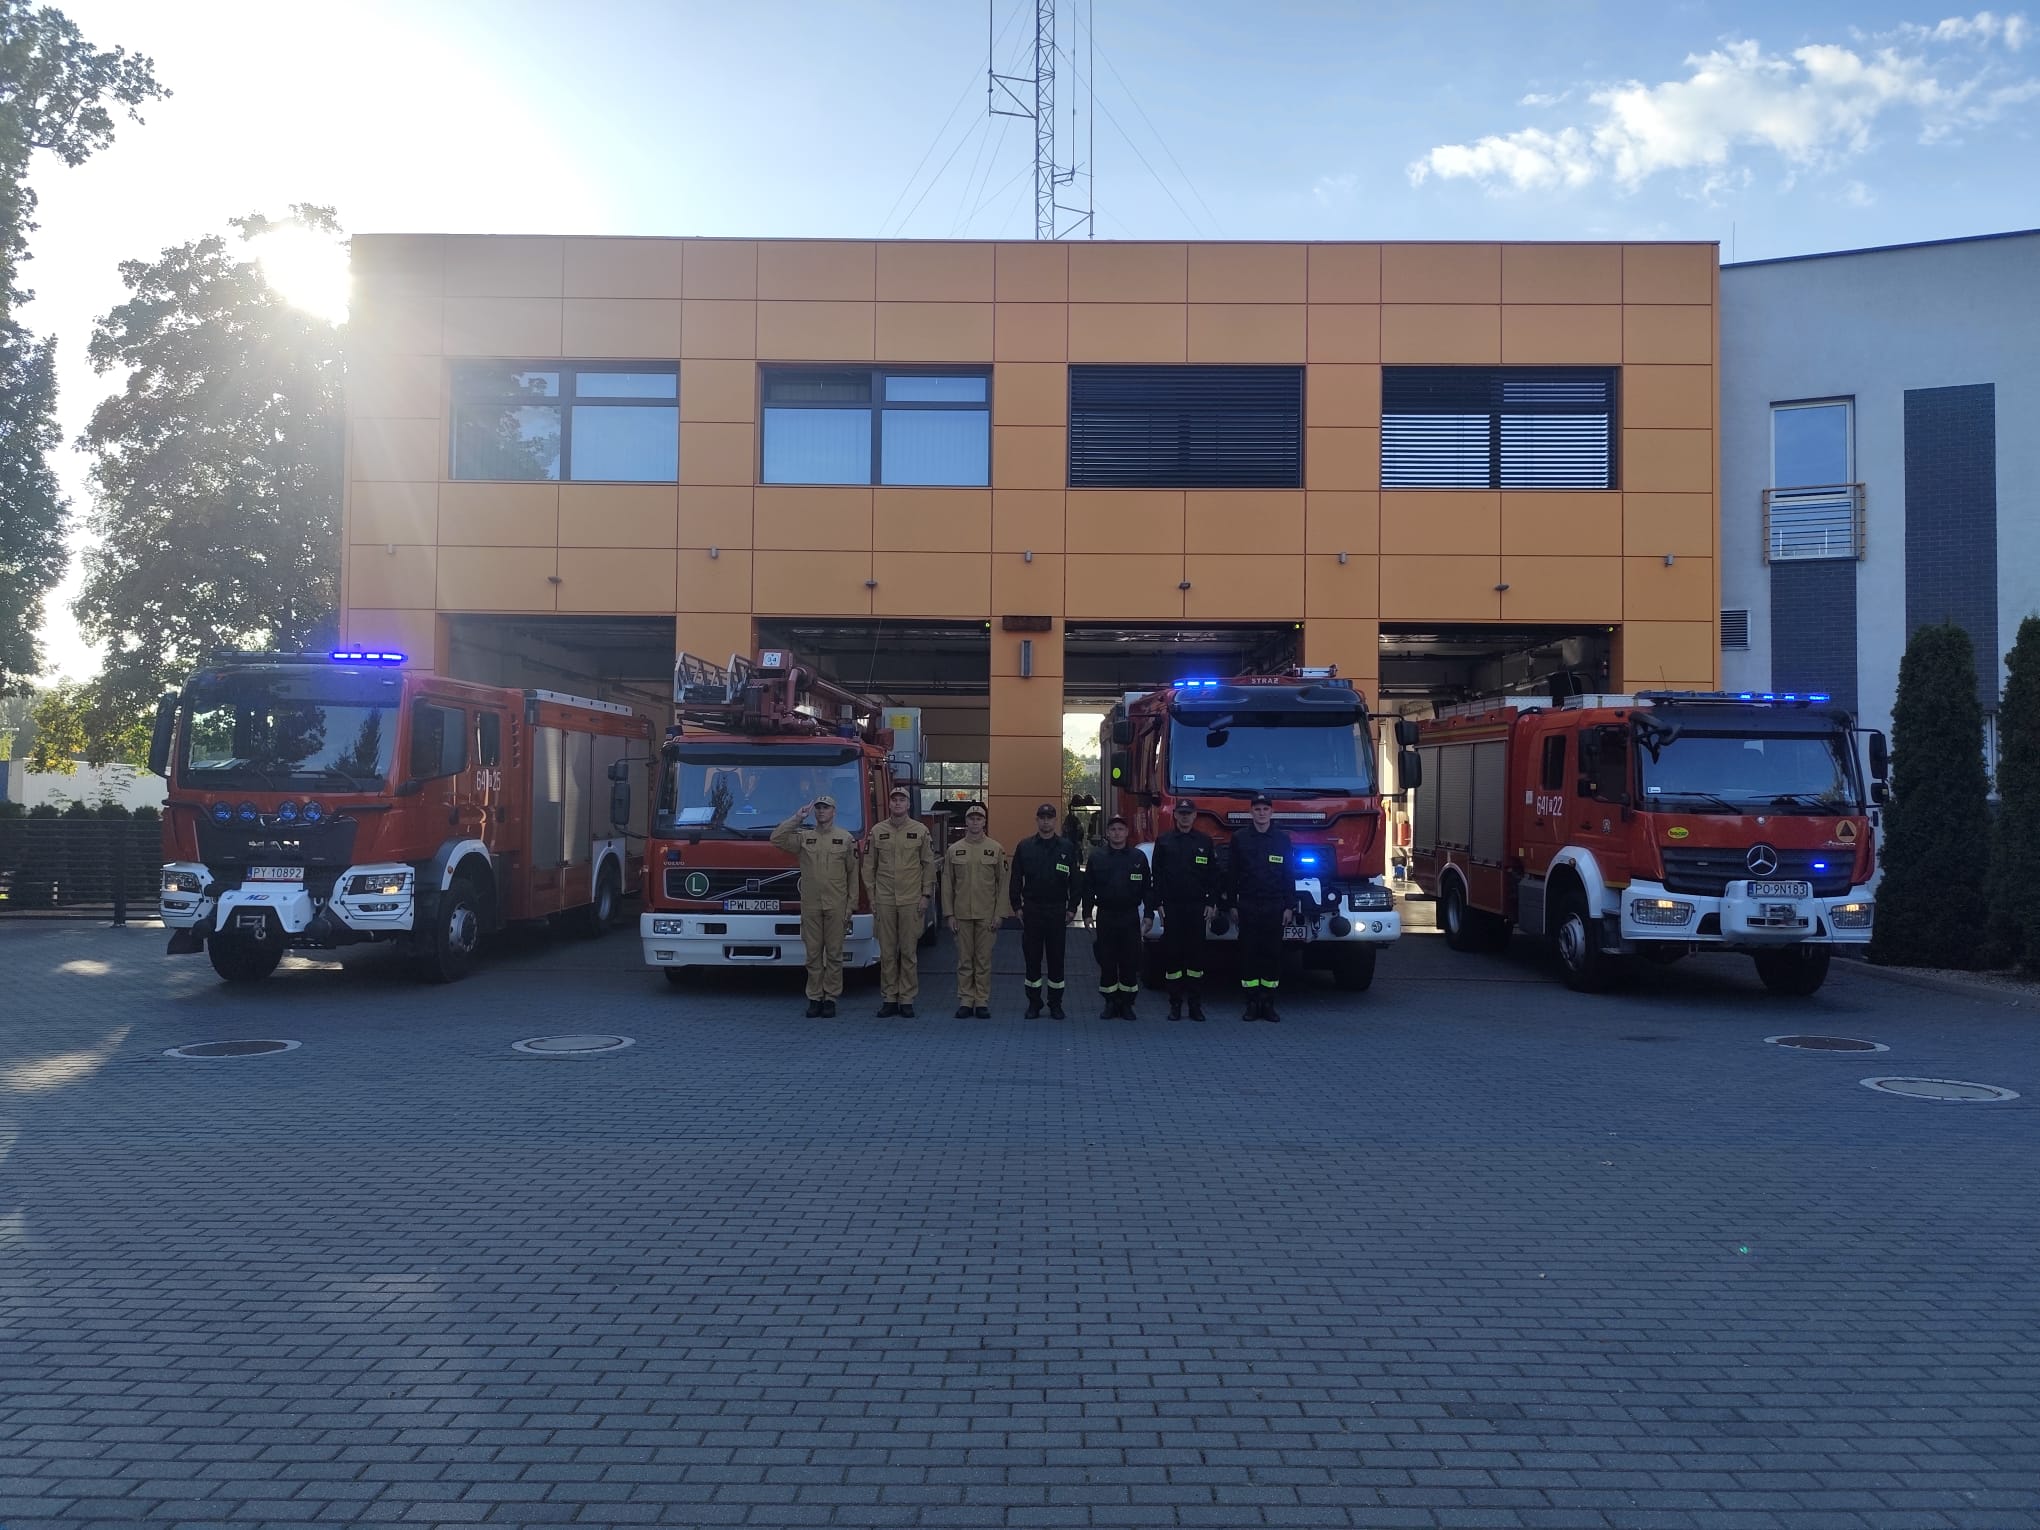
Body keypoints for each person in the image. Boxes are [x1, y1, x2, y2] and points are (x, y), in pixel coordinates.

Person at [770, 795, 860, 1018]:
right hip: (811, 905)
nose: (821, 811)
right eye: (818, 808)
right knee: (812, 954)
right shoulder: (804, 838)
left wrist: (851, 905)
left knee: (834, 954)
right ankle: (814, 997)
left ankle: (830, 998)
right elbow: (777, 838)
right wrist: (797, 818)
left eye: (825, 808)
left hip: (836, 905)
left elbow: (853, 875)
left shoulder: (845, 839)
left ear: (833, 812)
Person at [862, 785, 937, 1017]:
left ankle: (906, 999)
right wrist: (872, 897)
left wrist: (925, 895)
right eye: (894, 799)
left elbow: (928, 865)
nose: (897, 803)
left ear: (908, 804)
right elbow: (868, 867)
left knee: (908, 952)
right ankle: (889, 998)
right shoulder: (877, 831)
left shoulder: (920, 831)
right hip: (884, 900)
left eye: (902, 800)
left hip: (911, 900)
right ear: (890, 803)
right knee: (887, 953)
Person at [1225, 790, 1295, 1022]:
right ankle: (1252, 1003)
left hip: (1275, 905)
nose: (1261, 813)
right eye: (1257, 809)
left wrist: (1289, 906)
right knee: (1249, 954)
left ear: (1272, 812)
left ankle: (1268, 1003)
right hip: (1248, 904)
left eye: (1265, 809)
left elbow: (1289, 874)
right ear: (1251, 812)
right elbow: (1232, 873)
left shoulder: (1282, 840)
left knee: (1272, 955)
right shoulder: (1240, 838)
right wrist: (1232, 904)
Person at [1150, 798, 1219, 1021]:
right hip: (1172, 907)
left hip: (1197, 908)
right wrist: (1158, 903)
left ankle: (1195, 1005)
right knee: (1173, 958)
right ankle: (1175, 1005)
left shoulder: (1204, 842)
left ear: (1195, 816)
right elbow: (1157, 876)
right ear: (1175, 815)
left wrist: (1211, 903)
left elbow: (1213, 876)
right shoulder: (1164, 841)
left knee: (1196, 959)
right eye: (1181, 813)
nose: (1185, 817)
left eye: (1188, 813)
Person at [1008, 802, 1078, 1018]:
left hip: (1057, 911)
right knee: (1032, 959)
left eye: (1049, 818)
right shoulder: (1025, 847)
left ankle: (1055, 1004)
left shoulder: (1067, 847)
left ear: (1055, 820)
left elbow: (1076, 881)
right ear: (1037, 820)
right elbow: (1016, 878)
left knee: (1057, 960)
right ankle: (1034, 1003)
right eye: (1042, 818)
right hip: (1032, 910)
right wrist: (1017, 906)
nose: (1046, 821)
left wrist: (1072, 908)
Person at [941, 801, 1008, 1018]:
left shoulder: (996, 849)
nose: (975, 822)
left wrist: (1000, 914)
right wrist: (949, 914)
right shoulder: (954, 850)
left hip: (986, 915)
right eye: (971, 818)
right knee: (964, 961)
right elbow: (947, 884)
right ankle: (965, 1000)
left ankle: (981, 1001)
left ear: (984, 822)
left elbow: (1003, 884)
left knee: (983, 960)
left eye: (979, 819)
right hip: (961, 915)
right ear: (966, 822)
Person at [1081, 815, 1151, 1020]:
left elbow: (1148, 889)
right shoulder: (1097, 858)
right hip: (1106, 916)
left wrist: (1148, 915)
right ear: (1107, 833)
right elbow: (1088, 888)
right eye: (1113, 829)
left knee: (1130, 961)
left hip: (1129, 916)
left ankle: (1127, 1004)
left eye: (1121, 829)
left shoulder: (1138, 858)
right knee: (1107, 961)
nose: (1117, 833)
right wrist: (1087, 914)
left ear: (1127, 832)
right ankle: (1110, 1002)